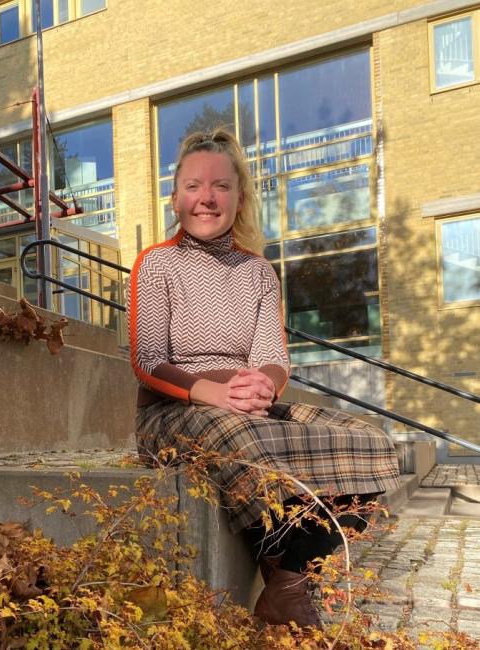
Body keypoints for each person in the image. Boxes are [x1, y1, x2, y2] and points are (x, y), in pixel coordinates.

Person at [126, 128, 400, 628]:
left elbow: (273, 355)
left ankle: (288, 582)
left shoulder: (257, 272)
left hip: (250, 406)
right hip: (173, 410)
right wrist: (212, 391)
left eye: (221, 186)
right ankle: (293, 592)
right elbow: (147, 358)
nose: (206, 198)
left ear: (240, 197)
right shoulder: (156, 264)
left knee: (374, 443)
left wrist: (264, 386)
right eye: (193, 186)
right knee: (242, 438)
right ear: (175, 196)